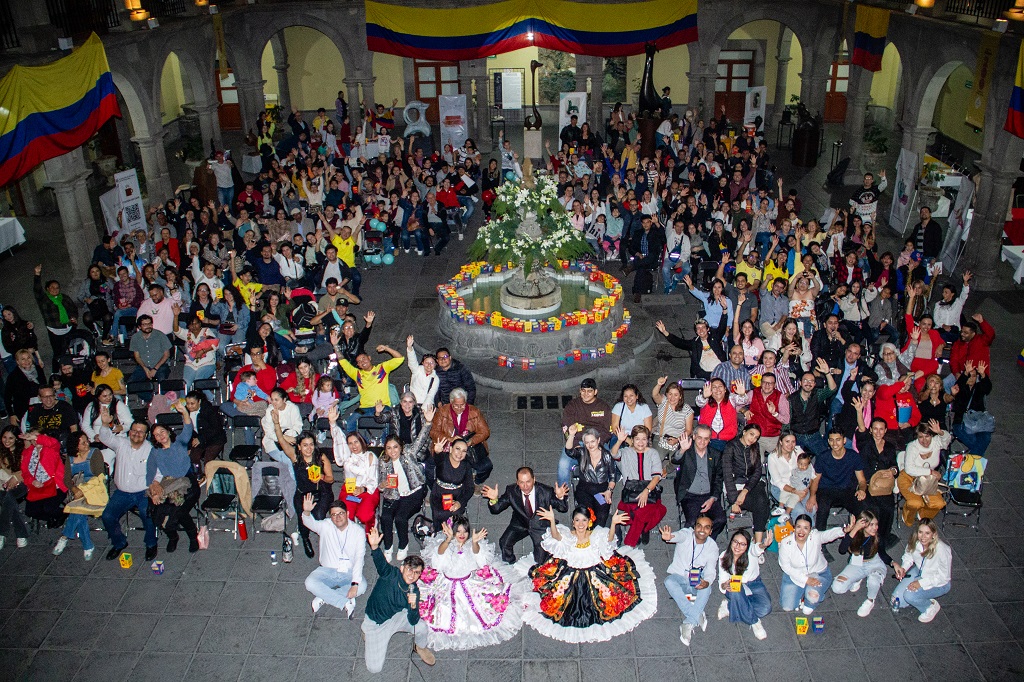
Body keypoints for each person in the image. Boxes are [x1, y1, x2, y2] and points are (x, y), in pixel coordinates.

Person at [526, 505, 656, 643]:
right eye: (577, 520)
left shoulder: (596, 535)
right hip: (570, 574)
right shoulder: (568, 535)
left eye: (583, 520)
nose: (580, 524)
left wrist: (613, 524)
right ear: (573, 522)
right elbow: (556, 536)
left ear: (589, 522)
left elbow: (609, 541)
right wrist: (552, 520)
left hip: (595, 573)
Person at [417, 515, 530, 650]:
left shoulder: (471, 544)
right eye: (458, 531)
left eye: (465, 531)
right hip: (446, 584)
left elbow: (480, 560)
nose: (462, 535)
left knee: (485, 607)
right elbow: (439, 556)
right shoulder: (446, 544)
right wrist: (447, 540)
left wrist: (475, 543)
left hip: (470, 582)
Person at [362, 524, 434, 672]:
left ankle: (419, 647)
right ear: (402, 568)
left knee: (421, 627)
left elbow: (413, 621)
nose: (412, 575)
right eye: (409, 570)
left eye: (416, 573)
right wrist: (375, 547)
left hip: (396, 617)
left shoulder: (414, 591)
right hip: (376, 623)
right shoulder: (390, 574)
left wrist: (413, 607)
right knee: (374, 668)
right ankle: (365, 631)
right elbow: (380, 563)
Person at [98, 414, 158, 561]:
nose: (137, 434)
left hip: (143, 492)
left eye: (141, 432)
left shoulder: (151, 450)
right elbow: (105, 438)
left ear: (146, 435)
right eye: (134, 431)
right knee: (107, 516)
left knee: (147, 514)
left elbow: (158, 472)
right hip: (122, 492)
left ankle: (151, 543)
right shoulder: (121, 443)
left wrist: (155, 486)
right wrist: (105, 424)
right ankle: (119, 542)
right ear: (129, 432)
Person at [482, 466, 569, 564]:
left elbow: (563, 508)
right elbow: (496, 509)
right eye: (521, 482)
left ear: (534, 480)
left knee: (540, 560)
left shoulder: (546, 491)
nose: (525, 486)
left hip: (540, 526)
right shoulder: (511, 491)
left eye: (528, 481)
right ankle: (509, 564)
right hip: (520, 523)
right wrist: (493, 499)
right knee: (504, 542)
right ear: (517, 482)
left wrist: (560, 497)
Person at [377, 416, 435, 561]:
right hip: (393, 494)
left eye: (395, 447)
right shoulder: (383, 462)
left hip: (413, 493)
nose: (392, 451)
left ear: (401, 447)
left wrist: (428, 423)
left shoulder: (408, 453)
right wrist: (383, 485)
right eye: (389, 448)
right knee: (385, 517)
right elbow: (380, 484)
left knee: (400, 518)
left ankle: (403, 545)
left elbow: (420, 440)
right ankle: (388, 546)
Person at [146, 403, 201, 553]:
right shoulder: (155, 452)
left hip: (187, 483)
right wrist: (154, 489)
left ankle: (192, 537)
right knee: (156, 512)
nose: (161, 436)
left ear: (169, 432)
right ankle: (173, 536)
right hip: (169, 484)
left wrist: (184, 412)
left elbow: (188, 429)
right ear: (155, 439)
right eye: (157, 435)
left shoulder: (180, 444)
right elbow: (150, 473)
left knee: (180, 512)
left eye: (162, 432)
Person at [303, 493, 367, 616]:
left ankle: (324, 597)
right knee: (309, 582)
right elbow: (310, 523)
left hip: (348, 571)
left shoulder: (358, 532)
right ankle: (344, 602)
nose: (337, 517)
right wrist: (306, 512)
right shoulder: (326, 525)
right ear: (330, 517)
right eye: (334, 515)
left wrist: (354, 584)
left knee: (361, 586)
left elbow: (359, 558)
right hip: (327, 570)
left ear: (347, 514)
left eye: (340, 513)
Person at [278, 424, 335, 559]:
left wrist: (321, 477)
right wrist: (276, 424)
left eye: (311, 444)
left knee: (319, 515)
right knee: (303, 517)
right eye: (305, 445)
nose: (308, 448)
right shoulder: (296, 458)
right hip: (303, 492)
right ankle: (305, 538)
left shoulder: (320, 457)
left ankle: (325, 542)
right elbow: (281, 440)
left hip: (321, 491)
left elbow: (331, 478)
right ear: (299, 447)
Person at [662, 516, 719, 646]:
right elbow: (678, 536)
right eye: (699, 525)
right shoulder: (687, 534)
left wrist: (706, 582)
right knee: (669, 582)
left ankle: (688, 623)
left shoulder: (712, 547)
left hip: (696, 579)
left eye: (707, 527)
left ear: (711, 531)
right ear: (694, 527)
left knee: (707, 587)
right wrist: (670, 537)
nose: (702, 530)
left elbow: (711, 571)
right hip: (680, 576)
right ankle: (696, 613)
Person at [833, 511, 899, 617]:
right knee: (837, 587)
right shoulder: (855, 535)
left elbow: (882, 553)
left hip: (874, 563)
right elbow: (842, 550)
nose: (875, 528)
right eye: (871, 525)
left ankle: (870, 601)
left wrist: (893, 563)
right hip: (857, 563)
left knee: (873, 581)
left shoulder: (877, 537)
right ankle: (858, 577)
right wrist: (854, 529)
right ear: (863, 526)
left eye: (876, 524)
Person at [611, 424, 665, 547]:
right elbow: (614, 454)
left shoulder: (653, 453)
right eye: (637, 439)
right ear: (632, 440)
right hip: (631, 492)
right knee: (640, 512)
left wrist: (646, 492)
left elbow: (657, 476)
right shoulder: (626, 452)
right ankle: (644, 529)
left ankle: (633, 538)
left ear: (648, 440)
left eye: (644, 439)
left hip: (649, 490)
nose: (641, 442)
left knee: (645, 511)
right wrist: (620, 440)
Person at [778, 514, 844, 614]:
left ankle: (810, 594)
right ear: (794, 527)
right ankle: (805, 589)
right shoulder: (785, 543)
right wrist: (806, 580)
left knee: (810, 603)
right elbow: (785, 567)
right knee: (787, 606)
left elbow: (828, 535)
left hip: (818, 573)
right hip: (795, 574)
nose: (801, 531)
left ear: (810, 530)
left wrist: (844, 530)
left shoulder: (815, 536)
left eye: (806, 528)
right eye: (798, 527)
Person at [891, 519, 952, 623]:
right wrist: (904, 568)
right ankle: (918, 596)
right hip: (919, 571)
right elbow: (909, 556)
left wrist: (920, 583)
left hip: (938, 582)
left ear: (933, 534)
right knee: (896, 600)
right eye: (920, 532)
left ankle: (929, 606)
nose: (923, 537)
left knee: (909, 596)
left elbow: (943, 577)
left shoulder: (942, 550)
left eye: (927, 533)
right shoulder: (915, 542)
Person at [429, 388, 492, 488]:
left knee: (486, 466)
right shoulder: (442, 412)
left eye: (462, 405)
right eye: (456, 405)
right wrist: (450, 439)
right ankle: (437, 489)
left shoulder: (474, 412)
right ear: (451, 402)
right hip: (447, 446)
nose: (459, 408)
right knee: (431, 468)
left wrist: (471, 441)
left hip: (468, 448)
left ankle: (476, 482)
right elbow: (433, 432)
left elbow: (485, 431)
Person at [716, 529, 772, 639]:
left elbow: (757, 549)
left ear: (747, 546)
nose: (737, 546)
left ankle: (730, 606)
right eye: (735, 542)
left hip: (754, 583)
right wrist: (724, 586)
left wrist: (763, 545)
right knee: (735, 591)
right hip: (736, 586)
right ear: (731, 541)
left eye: (742, 544)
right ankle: (754, 622)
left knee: (765, 609)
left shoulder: (751, 551)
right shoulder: (724, 556)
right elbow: (722, 581)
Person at [672, 426, 727, 539]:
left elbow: (718, 478)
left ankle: (708, 542)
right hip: (690, 495)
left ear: (710, 440)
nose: (702, 442)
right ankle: (690, 546)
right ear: (694, 437)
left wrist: (712, 499)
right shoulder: (686, 450)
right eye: (699, 438)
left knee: (721, 520)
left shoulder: (715, 454)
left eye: (706, 439)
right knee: (692, 523)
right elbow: (675, 460)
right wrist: (682, 449)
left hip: (708, 495)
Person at [809, 429, 868, 531]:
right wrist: (812, 496)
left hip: (846, 490)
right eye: (831, 440)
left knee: (862, 509)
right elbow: (815, 479)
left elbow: (862, 480)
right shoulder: (823, 457)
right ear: (828, 441)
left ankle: (858, 540)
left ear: (844, 440)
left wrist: (862, 490)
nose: (834, 443)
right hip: (826, 490)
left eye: (838, 440)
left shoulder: (853, 456)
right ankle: (819, 541)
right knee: (822, 509)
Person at [721, 424, 770, 545]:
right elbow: (727, 475)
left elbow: (758, 471)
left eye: (756, 437)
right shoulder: (731, 447)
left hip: (751, 484)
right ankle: (758, 544)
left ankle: (757, 543)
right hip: (734, 484)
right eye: (751, 434)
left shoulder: (755, 447)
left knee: (761, 501)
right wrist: (733, 501)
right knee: (763, 504)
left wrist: (745, 490)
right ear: (744, 432)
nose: (753, 439)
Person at [339, 345, 404, 432]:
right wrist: (335, 345)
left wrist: (386, 349)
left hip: (383, 406)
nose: (362, 361)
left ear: (369, 358)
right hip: (363, 409)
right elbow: (342, 361)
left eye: (363, 358)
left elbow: (400, 358)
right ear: (358, 365)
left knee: (390, 422)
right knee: (350, 422)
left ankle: (387, 444)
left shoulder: (382, 368)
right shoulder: (356, 374)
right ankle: (361, 442)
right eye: (359, 361)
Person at [563, 425, 619, 527]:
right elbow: (569, 451)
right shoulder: (582, 453)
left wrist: (609, 491)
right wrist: (571, 435)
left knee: (602, 513)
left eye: (592, 441)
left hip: (600, 490)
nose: (590, 445)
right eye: (587, 442)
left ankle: (598, 537)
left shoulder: (607, 455)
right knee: (586, 513)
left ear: (598, 440)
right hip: (584, 488)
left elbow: (612, 476)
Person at [897, 420, 950, 526]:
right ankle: (907, 517)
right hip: (909, 478)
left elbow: (947, 439)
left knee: (939, 503)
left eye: (927, 436)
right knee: (915, 503)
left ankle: (923, 516)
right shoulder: (912, 446)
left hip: (928, 480)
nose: (924, 440)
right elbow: (909, 469)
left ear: (932, 436)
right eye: (921, 437)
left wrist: (940, 432)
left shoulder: (936, 442)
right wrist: (930, 471)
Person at [33, 264, 79, 369]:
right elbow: (37, 290)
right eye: (52, 287)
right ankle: (55, 371)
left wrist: (73, 317)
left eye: (57, 287)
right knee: (57, 352)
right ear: (47, 289)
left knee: (71, 347)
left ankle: (73, 366)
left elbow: (73, 309)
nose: (55, 289)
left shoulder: (65, 298)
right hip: (55, 330)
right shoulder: (44, 300)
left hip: (68, 327)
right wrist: (37, 275)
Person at [788, 363, 838, 457]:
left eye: (811, 381)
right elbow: (787, 421)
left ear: (814, 384)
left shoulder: (817, 395)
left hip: (813, 435)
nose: (808, 383)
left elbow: (832, 389)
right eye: (805, 380)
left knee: (826, 457)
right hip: (796, 435)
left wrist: (827, 373)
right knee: (791, 459)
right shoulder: (791, 399)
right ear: (800, 382)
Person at [19, 430, 67, 529]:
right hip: (38, 488)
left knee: (48, 508)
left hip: (55, 486)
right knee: (30, 511)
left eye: (36, 437)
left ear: (44, 436)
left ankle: (63, 514)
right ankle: (51, 518)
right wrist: (32, 481)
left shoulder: (51, 449)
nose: (34, 440)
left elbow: (54, 442)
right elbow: (25, 473)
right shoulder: (27, 452)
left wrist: (37, 437)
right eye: (31, 438)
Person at [429, 437, 476, 532]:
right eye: (457, 449)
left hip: (457, 496)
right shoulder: (443, 459)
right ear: (450, 449)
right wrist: (437, 452)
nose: (460, 453)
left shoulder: (466, 465)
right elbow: (437, 459)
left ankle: (455, 537)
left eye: (464, 451)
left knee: (455, 515)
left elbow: (470, 488)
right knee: (438, 514)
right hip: (439, 494)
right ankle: (438, 536)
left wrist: (460, 502)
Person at [560, 377, 613, 453]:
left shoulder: (604, 407)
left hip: (597, 442)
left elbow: (608, 430)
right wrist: (575, 445)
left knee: (607, 461)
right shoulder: (572, 405)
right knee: (563, 464)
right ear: (580, 391)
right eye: (583, 391)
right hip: (578, 441)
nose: (586, 394)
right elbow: (566, 426)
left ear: (595, 392)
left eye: (589, 391)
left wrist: (597, 444)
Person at [128, 315, 172, 401]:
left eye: (149, 324)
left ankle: (164, 401)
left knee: (163, 382)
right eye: (144, 324)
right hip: (143, 366)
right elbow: (137, 356)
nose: (148, 326)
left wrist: (155, 369)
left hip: (160, 365)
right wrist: (145, 368)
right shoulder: (135, 338)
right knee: (131, 384)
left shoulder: (160, 335)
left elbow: (167, 354)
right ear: (139, 327)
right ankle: (152, 400)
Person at [0, 426, 29, 549]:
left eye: (11, 438)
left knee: (9, 496)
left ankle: (2, 532)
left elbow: (28, 469)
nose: (7, 441)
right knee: (7, 497)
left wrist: (16, 478)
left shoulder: (24, 450)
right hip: (4, 483)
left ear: (16, 439)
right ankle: (21, 534)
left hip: (24, 482)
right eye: (4, 437)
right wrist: (7, 480)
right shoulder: (1, 451)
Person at [650, 376, 694, 455]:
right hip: (661, 437)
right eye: (670, 394)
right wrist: (659, 385)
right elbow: (655, 395)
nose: (672, 397)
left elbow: (688, 430)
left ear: (680, 396)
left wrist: (677, 440)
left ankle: (667, 468)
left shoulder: (687, 410)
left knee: (677, 460)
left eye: (676, 395)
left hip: (679, 439)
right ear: (666, 394)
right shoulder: (663, 402)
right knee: (655, 459)